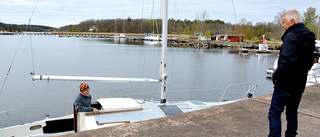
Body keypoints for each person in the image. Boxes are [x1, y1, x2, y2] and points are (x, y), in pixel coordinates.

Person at [268, 9, 315, 137]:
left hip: (285, 84)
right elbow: (310, 61)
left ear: (292, 21)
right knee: (292, 112)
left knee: (274, 113)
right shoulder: (309, 36)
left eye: (284, 22)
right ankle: (291, 135)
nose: (282, 25)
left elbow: (287, 60)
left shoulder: (291, 36)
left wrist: (276, 76)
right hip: (299, 84)